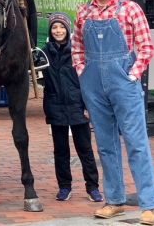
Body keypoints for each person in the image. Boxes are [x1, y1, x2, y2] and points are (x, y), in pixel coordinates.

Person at [71, 0, 154, 225]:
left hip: (124, 83)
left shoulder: (130, 9)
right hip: (93, 83)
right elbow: (76, 46)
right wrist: (82, 72)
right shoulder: (82, 12)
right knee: (106, 146)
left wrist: (132, 75)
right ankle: (114, 201)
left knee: (136, 144)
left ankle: (148, 205)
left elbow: (146, 47)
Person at [41, 11, 101, 203]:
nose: (58, 31)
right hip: (55, 106)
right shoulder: (43, 54)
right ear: (50, 31)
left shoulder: (78, 52)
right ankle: (64, 186)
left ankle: (92, 187)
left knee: (85, 149)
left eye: (61, 27)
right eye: (54, 27)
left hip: (78, 106)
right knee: (60, 150)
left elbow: (88, 80)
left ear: (68, 29)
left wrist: (87, 105)